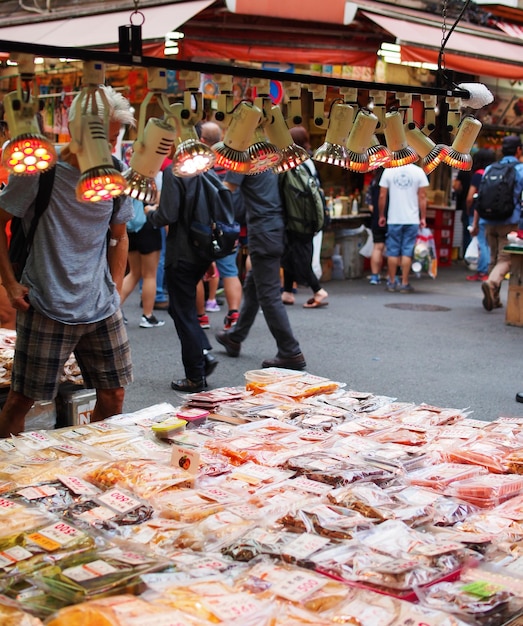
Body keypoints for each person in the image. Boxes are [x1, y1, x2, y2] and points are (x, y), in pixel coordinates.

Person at [0, 85, 135, 437]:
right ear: (76, 131)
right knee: (22, 400)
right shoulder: (39, 170)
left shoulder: (115, 172)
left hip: (101, 306)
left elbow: (119, 236)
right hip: (47, 304)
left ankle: (92, 460)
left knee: (114, 394)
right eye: (101, 141)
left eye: (113, 140)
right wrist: (11, 285)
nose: (107, 150)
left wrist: (115, 290)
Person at [215, 168, 306, 370]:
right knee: (253, 285)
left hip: (263, 230)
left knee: (269, 294)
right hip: (275, 227)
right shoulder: (268, 152)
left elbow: (226, 191)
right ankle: (235, 337)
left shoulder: (245, 154)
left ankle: (290, 351)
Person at [146, 164, 222, 393]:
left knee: (182, 312)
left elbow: (168, 213)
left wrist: (151, 213)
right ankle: (203, 353)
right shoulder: (206, 170)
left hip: (182, 251)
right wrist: (209, 259)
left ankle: (195, 375)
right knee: (182, 309)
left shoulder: (175, 171)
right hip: (203, 248)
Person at [199, 122, 243, 329]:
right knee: (229, 269)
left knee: (198, 270)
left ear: (201, 141)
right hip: (229, 223)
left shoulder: (200, 162)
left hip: (204, 222)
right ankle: (234, 314)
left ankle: (201, 316)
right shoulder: (231, 160)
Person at [280, 125, 329, 308]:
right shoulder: (307, 159)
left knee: (299, 256)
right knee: (291, 253)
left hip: (297, 217)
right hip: (304, 217)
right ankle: (287, 293)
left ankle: (318, 290)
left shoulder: (296, 162)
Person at [478, 136, 523, 312]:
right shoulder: (520, 169)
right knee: (506, 259)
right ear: (518, 150)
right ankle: (492, 283)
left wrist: (476, 222)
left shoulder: (490, 168)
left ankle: (494, 298)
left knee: (493, 258)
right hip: (509, 221)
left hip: (488, 220)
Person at [378, 162, 429, 293]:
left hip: (394, 218)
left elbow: (382, 195)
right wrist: (423, 217)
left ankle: (392, 281)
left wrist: (381, 215)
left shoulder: (389, 171)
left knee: (393, 250)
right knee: (407, 250)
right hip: (412, 218)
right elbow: (422, 196)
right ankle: (404, 282)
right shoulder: (418, 171)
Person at [120, 197, 165, 328]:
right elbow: (159, 199)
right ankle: (148, 315)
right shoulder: (150, 179)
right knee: (150, 275)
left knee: (134, 273)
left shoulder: (128, 178)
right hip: (148, 224)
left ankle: (114, 309)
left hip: (131, 226)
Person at [465, 148, 496, 282]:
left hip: (477, 211)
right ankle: (485, 270)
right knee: (485, 242)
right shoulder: (492, 173)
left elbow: (470, 197)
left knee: (480, 242)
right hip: (489, 211)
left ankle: (482, 271)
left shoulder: (478, 174)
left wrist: (468, 209)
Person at [366, 167, 388, 285]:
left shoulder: (374, 181)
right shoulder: (392, 178)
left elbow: (369, 203)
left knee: (377, 247)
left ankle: (375, 276)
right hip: (393, 217)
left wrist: (378, 213)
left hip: (377, 218)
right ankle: (391, 275)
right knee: (392, 248)